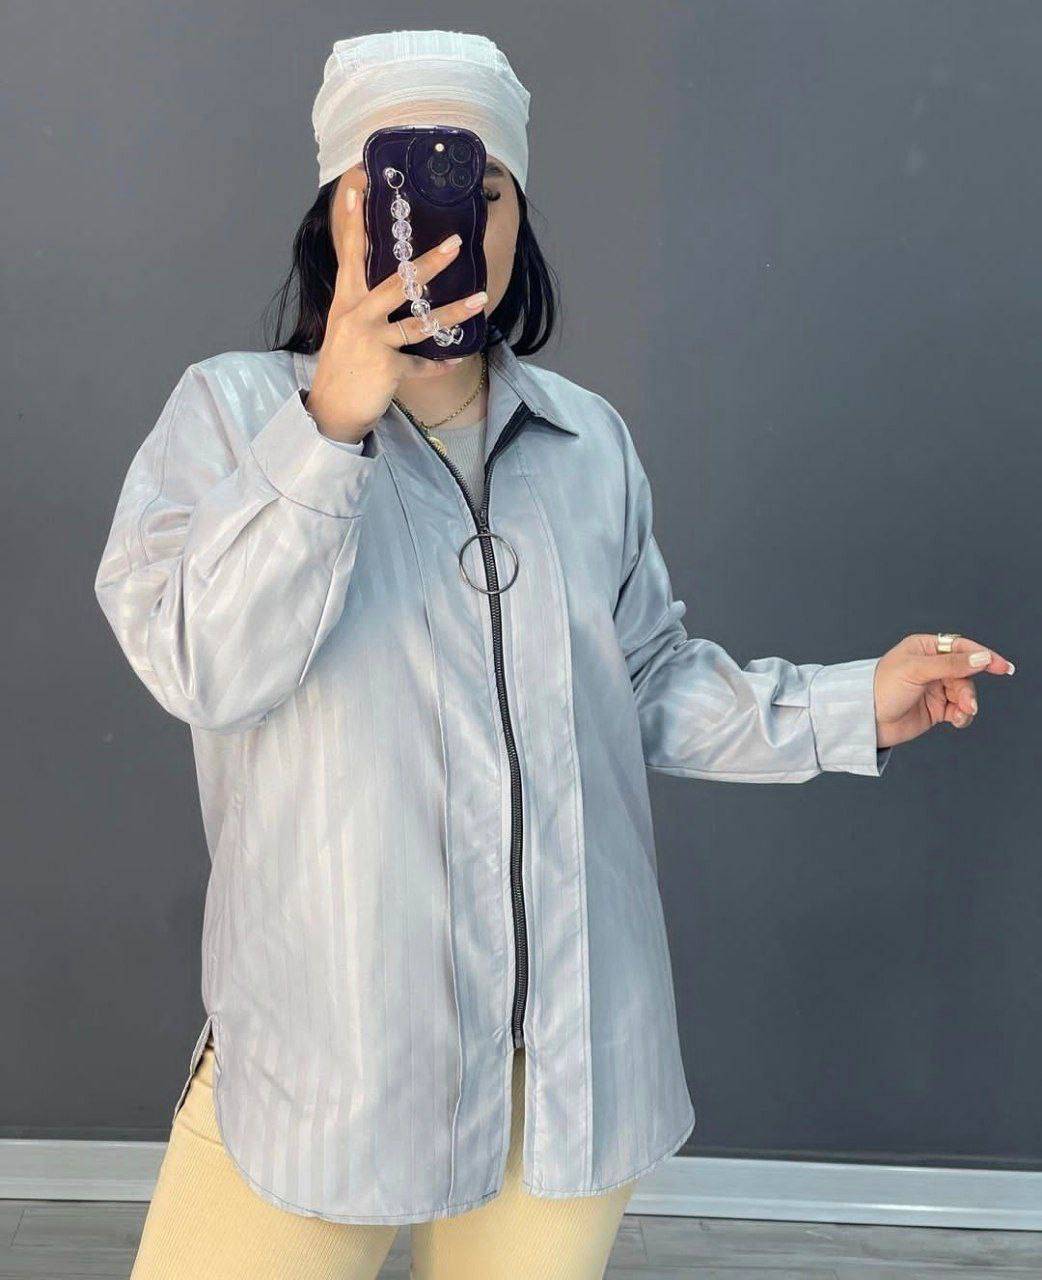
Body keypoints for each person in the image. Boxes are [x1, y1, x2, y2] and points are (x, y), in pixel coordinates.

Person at [94, 28, 1015, 1280]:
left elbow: (645, 683)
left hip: (567, 1072)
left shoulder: (588, 443)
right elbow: (205, 665)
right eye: (391, 189)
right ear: (337, 216)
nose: (443, 224)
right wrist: (330, 427)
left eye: (479, 192)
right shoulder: (228, 414)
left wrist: (857, 704)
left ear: (517, 218)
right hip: (327, 1062)